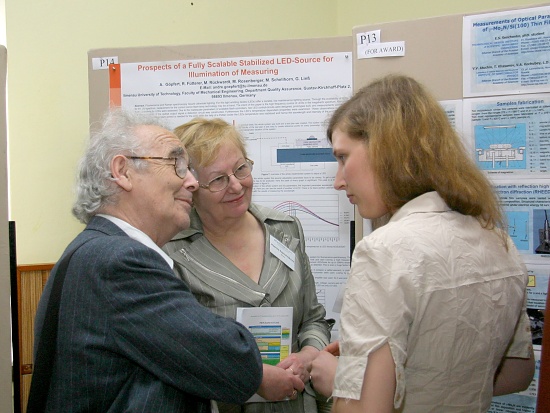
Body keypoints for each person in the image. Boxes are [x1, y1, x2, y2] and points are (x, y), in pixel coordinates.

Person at [309, 74, 535, 412]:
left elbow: (365, 409)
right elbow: (517, 374)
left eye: (343, 157)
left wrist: (340, 381)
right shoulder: (498, 241)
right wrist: (395, 373)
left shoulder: (383, 251)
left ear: (385, 150)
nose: (338, 181)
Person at [32, 109, 263, 412]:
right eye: (176, 164)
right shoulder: (120, 263)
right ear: (123, 171)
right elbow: (239, 364)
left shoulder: (92, 250)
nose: (192, 182)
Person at [163, 118, 331, 413]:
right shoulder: (172, 251)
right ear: (191, 187)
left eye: (241, 168)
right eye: (218, 179)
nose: (236, 185)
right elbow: (177, 352)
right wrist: (253, 378)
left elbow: (313, 319)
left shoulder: (285, 229)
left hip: (296, 402)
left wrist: (307, 357)